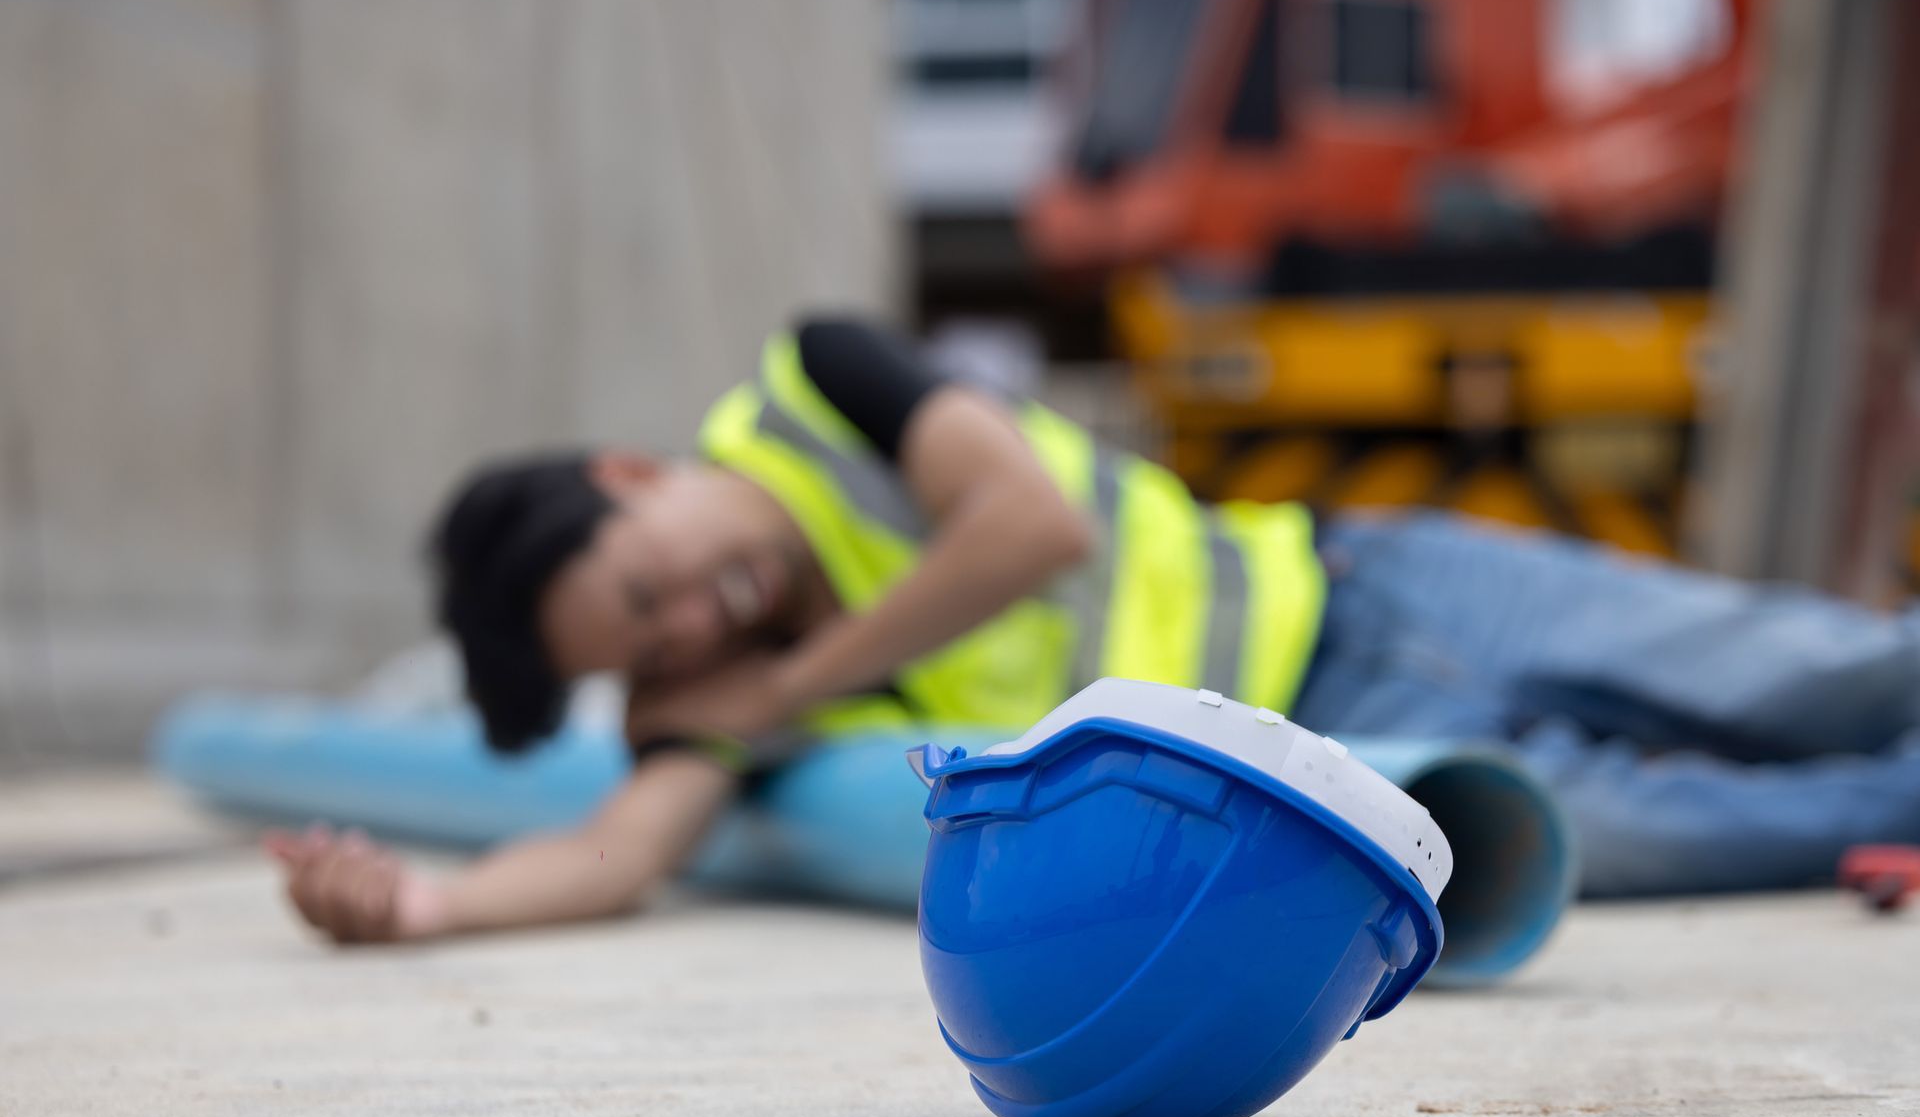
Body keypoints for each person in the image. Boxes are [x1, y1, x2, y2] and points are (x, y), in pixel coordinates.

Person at [267, 318, 1920, 942]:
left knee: (1820, 671)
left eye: (652, 585)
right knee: (1747, 824)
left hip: (1375, 592)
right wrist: (420, 901)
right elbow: (621, 849)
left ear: (634, 473)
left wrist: (797, 681)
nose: (691, 627)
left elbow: (1028, 526)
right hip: (1340, 768)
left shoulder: (817, 388)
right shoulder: (708, 690)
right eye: (644, 652)